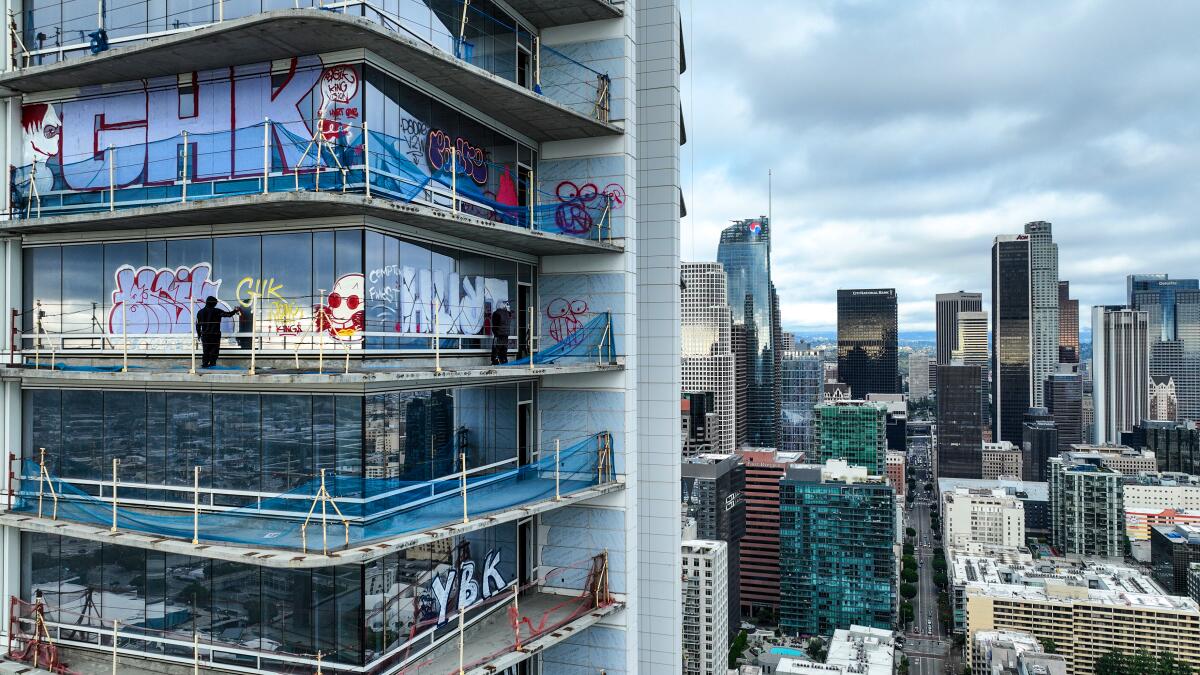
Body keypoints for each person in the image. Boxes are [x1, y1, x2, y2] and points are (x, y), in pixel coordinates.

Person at [195, 296, 240, 368]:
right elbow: (228, 314)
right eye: (215, 303)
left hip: (205, 335)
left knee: (206, 351)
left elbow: (198, 325)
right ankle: (212, 364)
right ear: (213, 303)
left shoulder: (200, 312)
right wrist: (235, 311)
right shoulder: (217, 311)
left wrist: (199, 334)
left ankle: (205, 365)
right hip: (215, 335)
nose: (216, 304)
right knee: (214, 351)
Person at [490, 300, 512, 365]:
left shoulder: (496, 313)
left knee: (496, 348)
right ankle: (504, 361)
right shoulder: (508, 313)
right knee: (504, 349)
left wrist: (495, 332)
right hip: (506, 335)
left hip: (498, 334)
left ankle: (495, 361)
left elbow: (495, 325)